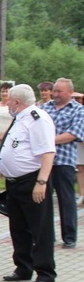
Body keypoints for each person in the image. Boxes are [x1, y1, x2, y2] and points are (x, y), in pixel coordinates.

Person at [0, 84, 56, 282]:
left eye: (9, 101)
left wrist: (42, 182)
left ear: (16, 102)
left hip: (32, 180)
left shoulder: (37, 119)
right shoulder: (20, 119)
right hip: (15, 183)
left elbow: (48, 152)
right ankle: (23, 267)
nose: (7, 105)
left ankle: (45, 273)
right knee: (19, 228)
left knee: (40, 228)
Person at [41, 78, 84, 248]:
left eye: (59, 91)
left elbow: (73, 134)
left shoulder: (78, 110)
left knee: (66, 200)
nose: (55, 94)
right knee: (43, 200)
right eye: (55, 91)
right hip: (44, 162)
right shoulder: (45, 108)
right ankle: (46, 236)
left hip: (63, 161)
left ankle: (69, 236)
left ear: (70, 92)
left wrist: (47, 141)